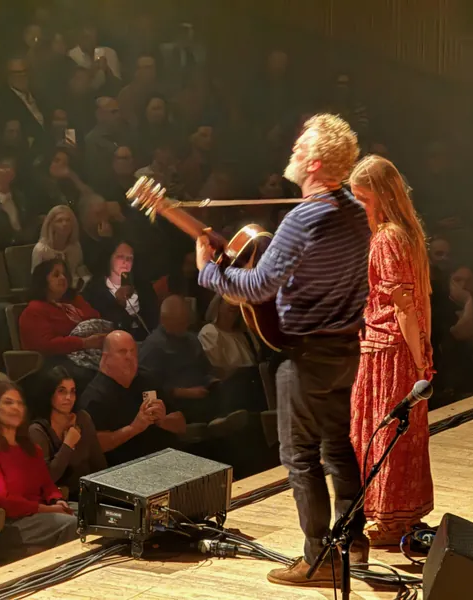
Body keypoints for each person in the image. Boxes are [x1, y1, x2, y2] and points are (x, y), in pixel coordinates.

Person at [195, 113, 371, 585]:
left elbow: (255, 286)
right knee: (338, 447)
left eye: (298, 149)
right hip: (344, 351)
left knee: (300, 458)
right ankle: (353, 544)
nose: (291, 153)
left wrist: (208, 271)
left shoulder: (301, 218)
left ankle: (319, 557)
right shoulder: (355, 210)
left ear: (314, 163)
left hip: (307, 355)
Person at [348, 155, 434, 546]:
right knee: (404, 435)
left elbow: (403, 305)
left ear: (380, 196)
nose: (358, 207)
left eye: (362, 198)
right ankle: (403, 514)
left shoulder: (386, 237)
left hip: (387, 350)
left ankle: (385, 521)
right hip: (403, 348)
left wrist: (418, 362)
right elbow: (419, 302)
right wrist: (424, 353)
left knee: (380, 434)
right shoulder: (409, 233)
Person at [0, 382, 78, 553]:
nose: (15, 407)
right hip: (8, 523)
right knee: (72, 523)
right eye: (8, 402)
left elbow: (47, 484)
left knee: (91, 512)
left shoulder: (31, 449)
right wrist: (47, 509)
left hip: (38, 513)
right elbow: (1, 501)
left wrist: (57, 500)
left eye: (19, 403)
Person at [79, 331, 185, 466]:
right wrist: (134, 428)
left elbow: (181, 425)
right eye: (122, 352)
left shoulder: (147, 379)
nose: (130, 357)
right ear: (106, 358)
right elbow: (94, 447)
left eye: (133, 351)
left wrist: (162, 420)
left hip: (169, 460)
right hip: (128, 470)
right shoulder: (95, 396)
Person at [28, 367, 106, 498]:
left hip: (89, 494)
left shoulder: (82, 419)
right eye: (61, 391)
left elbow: (98, 463)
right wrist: (68, 444)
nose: (69, 397)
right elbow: (47, 479)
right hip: (58, 500)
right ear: (49, 393)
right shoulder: (37, 431)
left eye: (73, 392)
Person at [19, 258, 105, 361]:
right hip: (59, 361)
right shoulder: (34, 310)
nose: (63, 278)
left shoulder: (75, 300)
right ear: (42, 280)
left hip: (92, 352)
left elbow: (96, 319)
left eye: (64, 274)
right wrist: (83, 342)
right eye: (56, 275)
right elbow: (45, 346)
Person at [82, 241, 158, 342]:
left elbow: (154, 320)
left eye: (129, 258)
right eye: (120, 257)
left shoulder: (143, 287)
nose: (125, 262)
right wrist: (118, 305)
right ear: (110, 258)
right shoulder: (94, 290)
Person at [31, 205, 90, 287]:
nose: (65, 224)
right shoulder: (41, 250)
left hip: (75, 290)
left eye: (68, 220)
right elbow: (36, 281)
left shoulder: (75, 247)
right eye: (59, 221)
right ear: (51, 225)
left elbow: (80, 271)